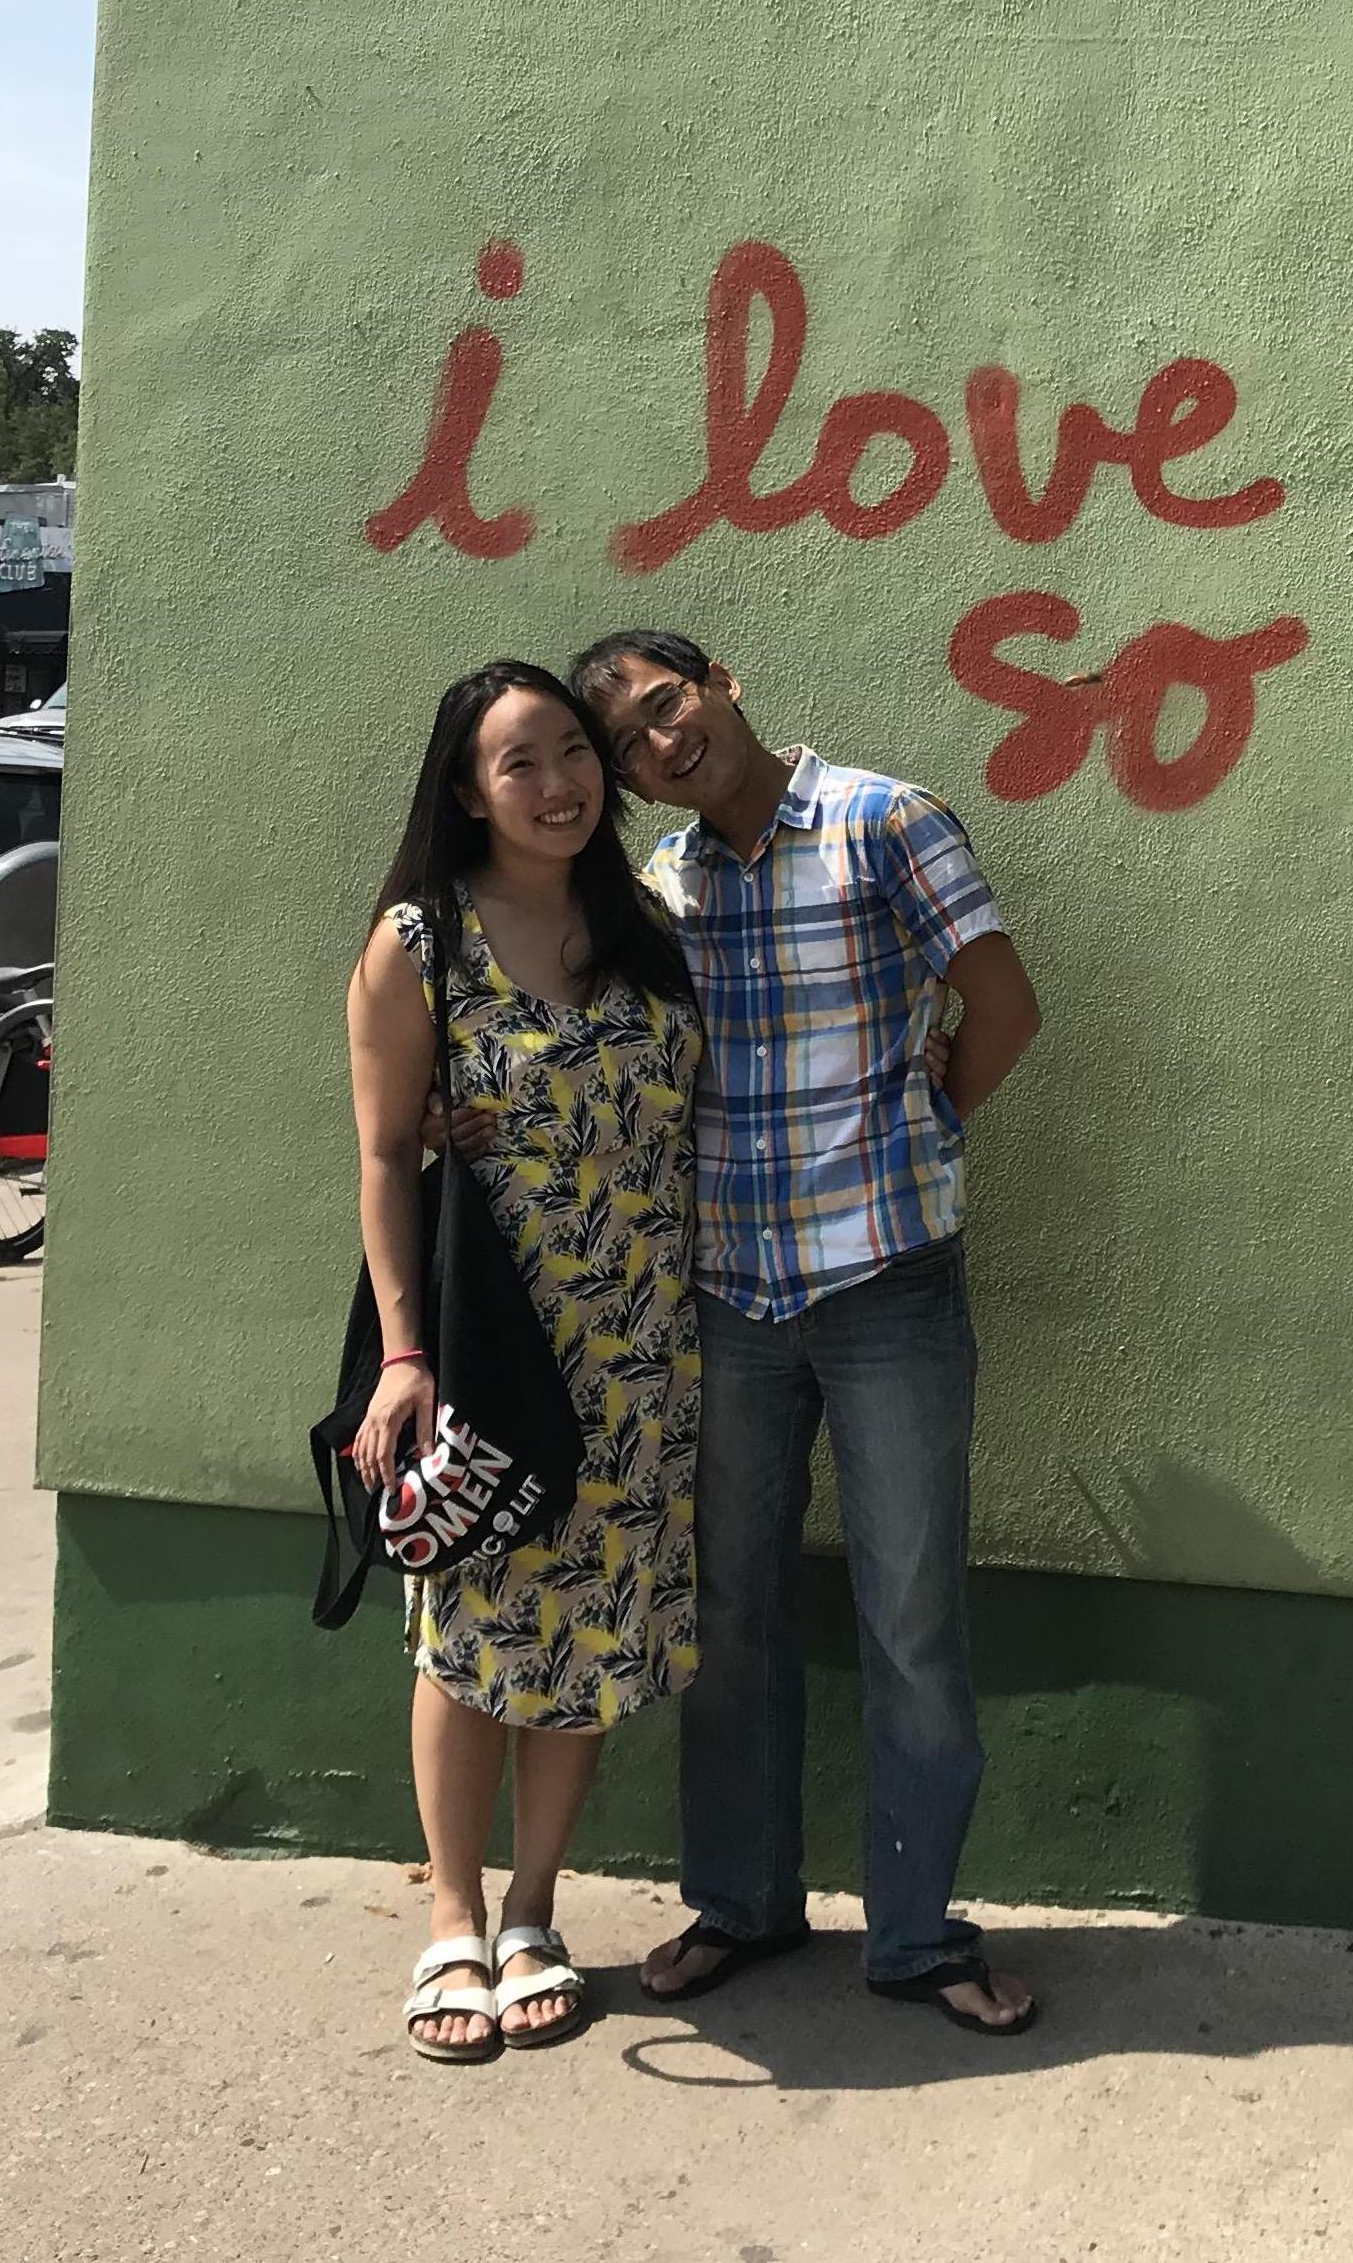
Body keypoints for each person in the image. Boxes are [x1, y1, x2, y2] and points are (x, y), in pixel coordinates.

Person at [567, 628, 1045, 2036]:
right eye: (633, 743)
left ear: (725, 683)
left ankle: (916, 1935)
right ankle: (741, 1904)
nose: (662, 743)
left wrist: (915, 1130)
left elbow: (1005, 1008)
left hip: (886, 1285)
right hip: (731, 1299)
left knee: (910, 1614)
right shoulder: (669, 886)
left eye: (670, 705)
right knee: (731, 1613)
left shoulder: (886, 822)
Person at [348, 660, 704, 2065]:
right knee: (473, 1621)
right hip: (498, 1343)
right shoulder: (420, 939)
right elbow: (382, 1154)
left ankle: (535, 1913)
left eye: (575, 752)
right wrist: (403, 1352)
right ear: (464, 789)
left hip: (644, 1351)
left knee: (592, 1628)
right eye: (520, 763)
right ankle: (452, 1912)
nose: (560, 785)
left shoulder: (647, 922)